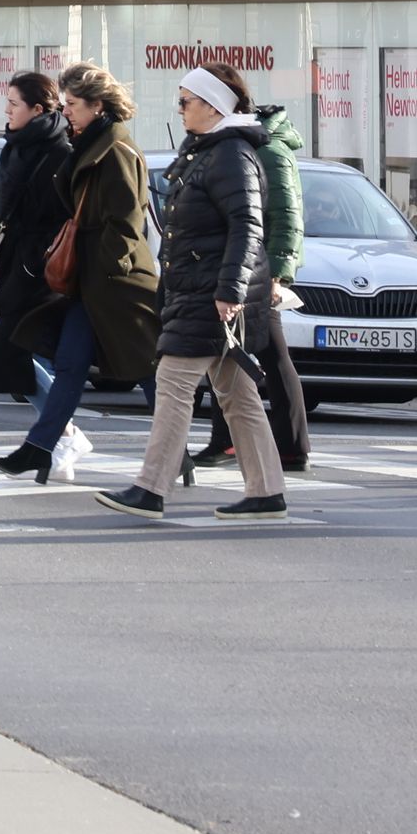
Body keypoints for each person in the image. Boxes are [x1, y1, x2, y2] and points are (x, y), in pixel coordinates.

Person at [96, 64, 287, 520]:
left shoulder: (230, 155)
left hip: (213, 294)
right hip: (202, 290)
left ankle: (150, 487)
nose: (179, 108)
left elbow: (248, 226)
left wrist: (230, 289)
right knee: (236, 394)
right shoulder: (207, 149)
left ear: (213, 105)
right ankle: (266, 492)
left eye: (186, 100)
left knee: (175, 382)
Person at [0, 62, 159, 485]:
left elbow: (125, 220)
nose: (67, 113)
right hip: (89, 281)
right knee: (70, 364)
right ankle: (39, 447)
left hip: (116, 283)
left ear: (98, 106)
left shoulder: (115, 150)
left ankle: (177, 453)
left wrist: (108, 268)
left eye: (74, 105)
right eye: (64, 105)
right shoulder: (86, 143)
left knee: (147, 370)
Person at [195, 91, 313, 480]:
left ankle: (288, 446)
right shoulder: (250, 147)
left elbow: (285, 218)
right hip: (247, 266)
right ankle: (264, 444)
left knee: (265, 356)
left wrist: (278, 275)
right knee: (239, 353)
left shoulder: (269, 152)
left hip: (257, 271)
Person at [0, 73, 75, 404]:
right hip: (15, 261)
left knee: (17, 351)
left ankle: (58, 431)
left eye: (13, 103)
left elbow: (62, 215)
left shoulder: (59, 152)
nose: (6, 110)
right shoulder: (15, 148)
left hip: (39, 268)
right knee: (15, 355)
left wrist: (36, 255)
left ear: (36, 110)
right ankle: (55, 432)